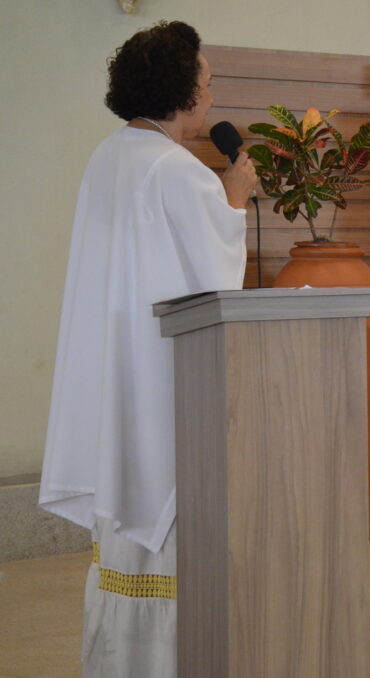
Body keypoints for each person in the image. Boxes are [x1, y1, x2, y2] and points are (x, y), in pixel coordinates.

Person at [38, 21, 257, 677]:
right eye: (209, 85)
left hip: (116, 379)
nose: (212, 101)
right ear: (183, 90)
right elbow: (215, 286)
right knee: (161, 529)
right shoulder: (174, 170)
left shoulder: (111, 157)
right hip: (162, 390)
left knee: (123, 548)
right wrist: (236, 201)